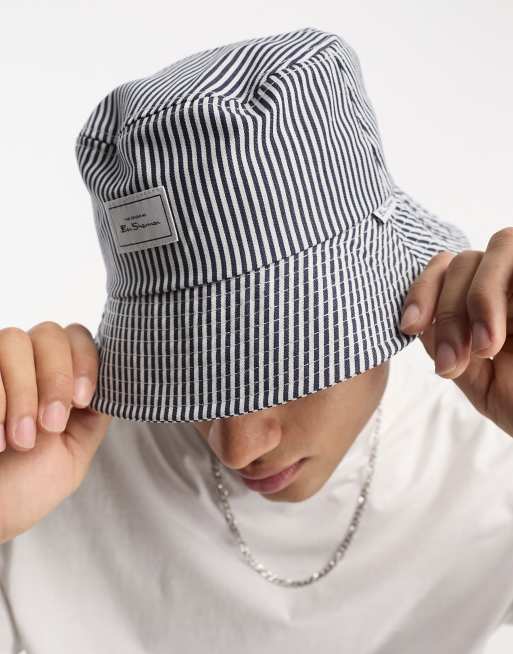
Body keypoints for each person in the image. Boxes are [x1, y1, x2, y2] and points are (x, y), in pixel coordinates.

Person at [1, 26, 513, 654]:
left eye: (285, 364)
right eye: (187, 370)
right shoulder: (53, 475)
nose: (237, 447)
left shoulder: (489, 463)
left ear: (390, 288)